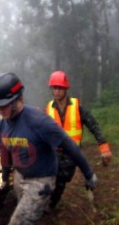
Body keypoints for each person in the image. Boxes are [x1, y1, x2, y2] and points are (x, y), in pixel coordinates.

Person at [0, 73, 97, 225]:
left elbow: (69, 145)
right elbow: (6, 153)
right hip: (20, 176)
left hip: (41, 181)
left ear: (18, 100)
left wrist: (88, 173)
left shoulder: (39, 121)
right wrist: (5, 178)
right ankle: (32, 216)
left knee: (19, 224)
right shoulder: (2, 126)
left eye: (4, 104)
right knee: (22, 208)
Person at [45, 70, 111, 211]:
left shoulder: (77, 107)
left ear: (66, 88)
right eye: (54, 88)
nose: (56, 91)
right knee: (48, 177)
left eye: (60, 88)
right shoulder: (49, 108)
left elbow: (94, 126)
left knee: (62, 179)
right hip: (53, 152)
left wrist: (104, 148)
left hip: (71, 153)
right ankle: (46, 202)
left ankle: (51, 204)